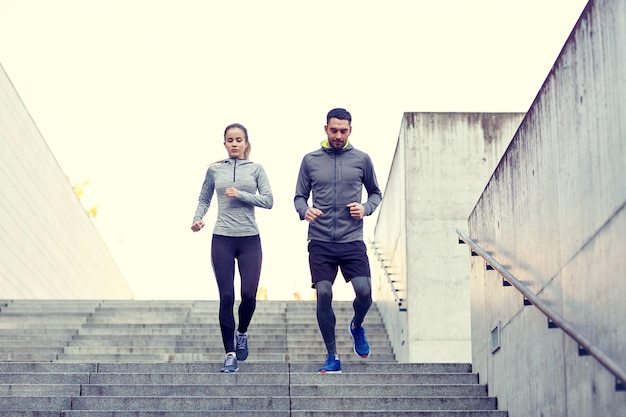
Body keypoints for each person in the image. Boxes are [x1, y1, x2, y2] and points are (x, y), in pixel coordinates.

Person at [294, 108, 382, 373]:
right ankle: (332, 355)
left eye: (343, 131)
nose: (338, 136)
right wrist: (304, 211)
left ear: (350, 131)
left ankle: (356, 325)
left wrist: (365, 208)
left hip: (351, 239)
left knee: (365, 292)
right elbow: (299, 197)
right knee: (323, 293)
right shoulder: (310, 160)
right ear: (325, 129)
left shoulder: (362, 159)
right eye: (334, 130)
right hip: (320, 240)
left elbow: (376, 193)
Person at [191, 123, 273, 373]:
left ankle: (242, 332)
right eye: (230, 140)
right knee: (226, 296)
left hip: (249, 239)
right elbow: (204, 197)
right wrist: (197, 218)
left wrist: (241, 195)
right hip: (222, 238)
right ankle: (229, 353)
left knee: (248, 295)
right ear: (224, 143)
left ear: (246, 143)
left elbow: (269, 201)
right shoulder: (215, 171)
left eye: (239, 140)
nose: (234, 144)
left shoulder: (257, 169)